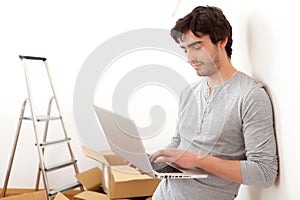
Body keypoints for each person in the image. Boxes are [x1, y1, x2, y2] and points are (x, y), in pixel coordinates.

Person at [131, 5, 278, 200]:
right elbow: (178, 141)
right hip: (163, 195)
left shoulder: (250, 96)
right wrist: (156, 162)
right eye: (185, 50)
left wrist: (198, 159)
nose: (190, 58)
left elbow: (265, 172)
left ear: (222, 41)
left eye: (197, 47)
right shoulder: (189, 92)